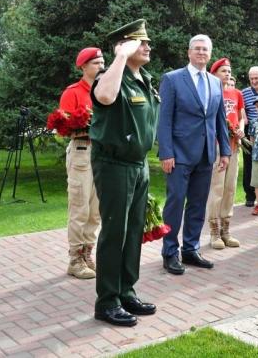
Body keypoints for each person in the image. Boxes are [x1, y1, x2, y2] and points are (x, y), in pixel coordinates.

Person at [90, 19, 158, 327]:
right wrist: (118, 56)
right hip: (114, 165)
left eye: (146, 42)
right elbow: (104, 97)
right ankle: (107, 301)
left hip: (138, 165)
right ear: (124, 45)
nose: (147, 46)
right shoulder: (111, 75)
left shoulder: (143, 78)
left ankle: (126, 291)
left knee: (132, 234)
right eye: (140, 42)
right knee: (115, 233)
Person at [158, 34, 231, 275]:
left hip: (206, 154)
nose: (201, 53)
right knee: (175, 203)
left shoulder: (214, 82)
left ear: (209, 54)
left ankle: (190, 249)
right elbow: (164, 119)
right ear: (189, 53)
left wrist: (225, 151)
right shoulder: (172, 79)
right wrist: (166, 152)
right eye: (197, 49)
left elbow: (219, 119)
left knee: (198, 204)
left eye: (205, 50)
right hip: (178, 155)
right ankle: (170, 252)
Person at [60, 47, 105, 279]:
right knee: (80, 207)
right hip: (82, 150)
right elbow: (64, 126)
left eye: (103, 62)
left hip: (103, 153)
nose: (101, 66)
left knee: (96, 209)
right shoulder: (73, 92)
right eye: (96, 62)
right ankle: (75, 259)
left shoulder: (106, 89)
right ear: (84, 66)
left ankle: (88, 253)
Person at [206, 58, 245, 250]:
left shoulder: (235, 93)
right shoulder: (209, 93)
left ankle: (226, 230)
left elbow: (240, 116)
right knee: (217, 188)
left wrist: (240, 129)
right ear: (213, 74)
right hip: (215, 147)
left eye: (229, 71)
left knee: (230, 188)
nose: (227, 74)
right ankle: (213, 231)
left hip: (233, 145)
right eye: (223, 71)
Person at [241, 66, 258, 207]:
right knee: (249, 164)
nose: (253, 81)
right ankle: (250, 195)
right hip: (250, 130)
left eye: (256, 78)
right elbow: (241, 110)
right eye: (251, 78)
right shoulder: (244, 93)